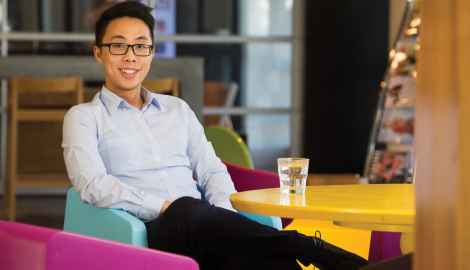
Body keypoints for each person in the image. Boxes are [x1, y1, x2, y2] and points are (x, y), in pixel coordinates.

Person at [62, 2, 368, 269]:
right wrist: (165, 207)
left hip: (204, 226)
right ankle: (309, 247)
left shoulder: (177, 110)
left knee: (269, 260)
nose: (131, 56)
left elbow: (210, 169)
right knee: (185, 208)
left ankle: (311, 254)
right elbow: (93, 185)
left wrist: (223, 221)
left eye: (141, 45)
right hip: (149, 229)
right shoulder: (84, 117)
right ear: (99, 53)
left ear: (152, 53)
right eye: (118, 45)